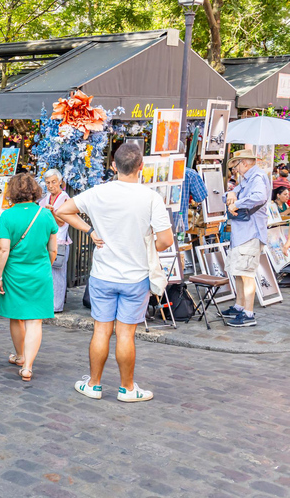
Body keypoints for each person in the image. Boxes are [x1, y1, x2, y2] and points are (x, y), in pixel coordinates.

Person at [58, 143, 173, 402]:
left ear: (113, 166)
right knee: (125, 334)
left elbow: (62, 210)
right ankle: (127, 388)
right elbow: (166, 240)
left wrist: (90, 231)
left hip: (103, 274)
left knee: (101, 330)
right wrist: (148, 248)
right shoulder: (150, 198)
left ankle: (95, 385)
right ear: (141, 167)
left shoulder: (98, 192)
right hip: (136, 276)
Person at [0, 173, 57, 381]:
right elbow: (53, 250)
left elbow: (3, 249)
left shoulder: (8, 215)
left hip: (14, 273)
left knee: (16, 315)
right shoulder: (46, 215)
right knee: (35, 321)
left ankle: (20, 355)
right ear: (35, 190)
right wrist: (43, 266)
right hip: (39, 273)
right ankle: (28, 367)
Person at [220, 149, 271, 327]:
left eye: (236, 165)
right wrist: (232, 195)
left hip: (250, 232)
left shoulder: (257, 177)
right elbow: (227, 196)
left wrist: (237, 202)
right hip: (242, 233)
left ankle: (248, 313)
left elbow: (259, 197)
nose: (235, 169)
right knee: (239, 272)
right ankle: (240, 306)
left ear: (245, 163)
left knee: (247, 273)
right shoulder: (247, 179)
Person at [39, 169, 71, 313]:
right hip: (46, 241)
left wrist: (52, 212)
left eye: (53, 182)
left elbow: (62, 223)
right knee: (47, 274)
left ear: (60, 182)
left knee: (58, 275)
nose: (51, 185)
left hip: (59, 242)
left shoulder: (65, 198)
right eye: (48, 183)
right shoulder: (45, 198)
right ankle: (47, 302)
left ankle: (56, 306)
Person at [171, 167, 208, 233]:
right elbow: (200, 197)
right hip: (178, 224)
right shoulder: (190, 174)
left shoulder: (153, 168)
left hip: (153, 224)